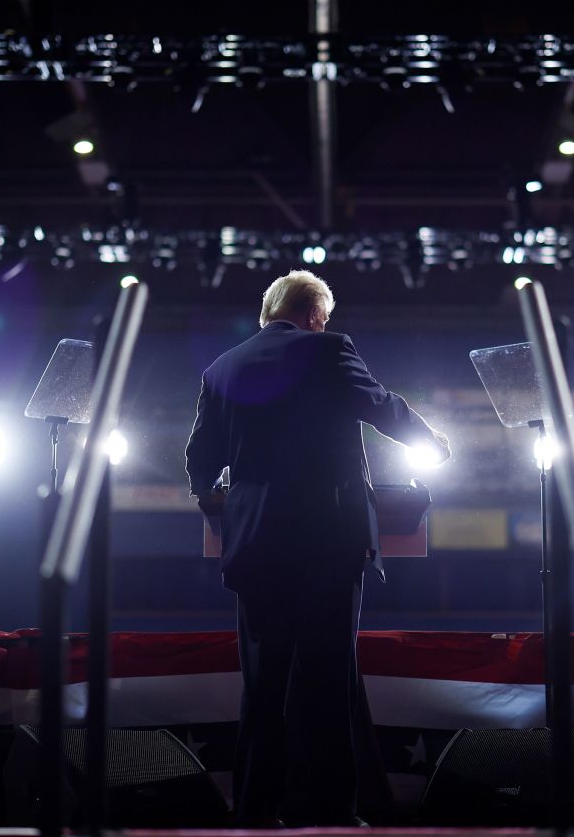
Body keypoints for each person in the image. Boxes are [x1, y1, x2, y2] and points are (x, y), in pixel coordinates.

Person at [185, 270, 450, 827]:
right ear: (314, 316)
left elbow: (200, 462)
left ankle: (255, 812)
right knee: (328, 679)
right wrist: (433, 441)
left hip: (255, 548)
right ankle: (331, 813)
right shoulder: (327, 350)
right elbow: (381, 405)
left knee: (262, 686)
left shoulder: (221, 369)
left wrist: (222, 495)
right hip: (327, 544)